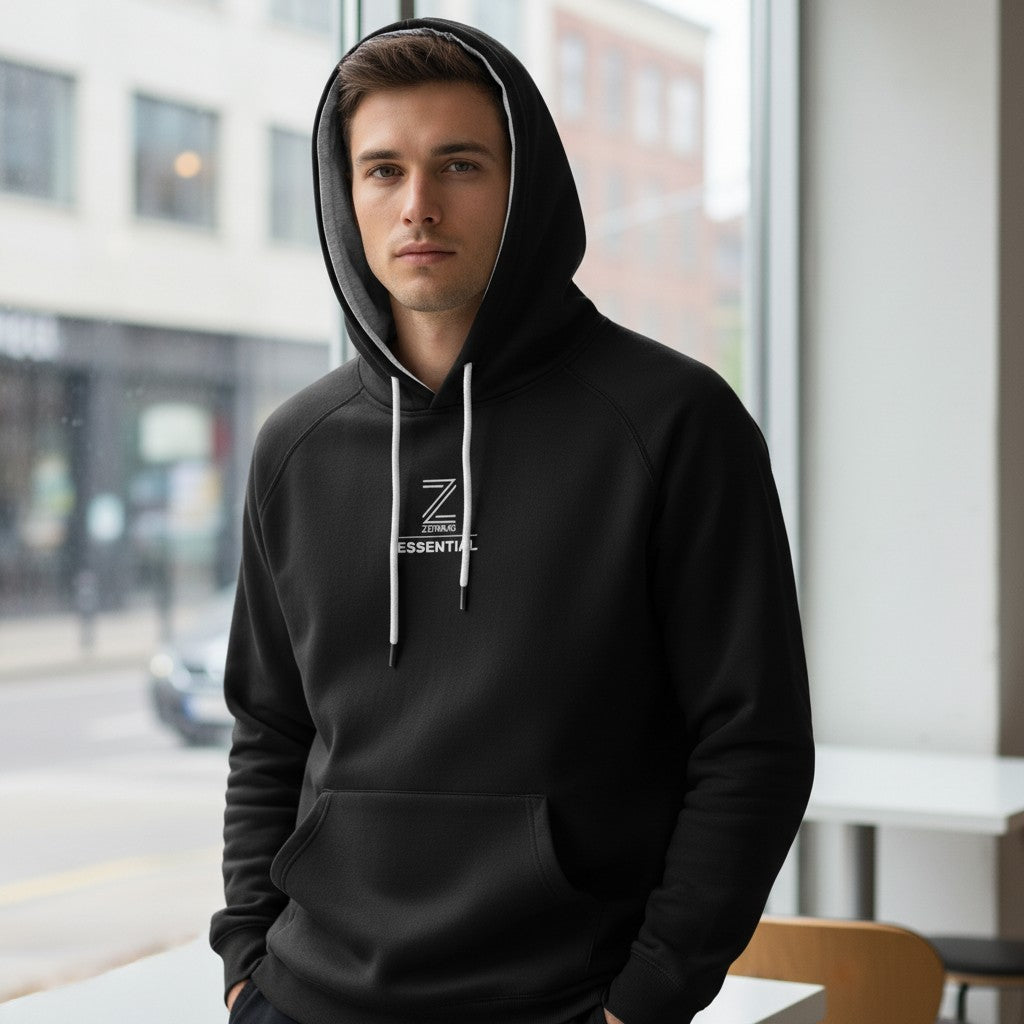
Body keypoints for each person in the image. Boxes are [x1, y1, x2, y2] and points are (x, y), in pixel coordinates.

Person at [210, 17, 814, 1024]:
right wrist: (245, 960)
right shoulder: (296, 446)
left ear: (523, 185)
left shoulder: (672, 422)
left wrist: (650, 993)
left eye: (459, 164)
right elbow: (269, 727)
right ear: (342, 195)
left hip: (565, 1002)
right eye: (382, 170)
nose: (418, 205)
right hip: (306, 997)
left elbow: (751, 741)